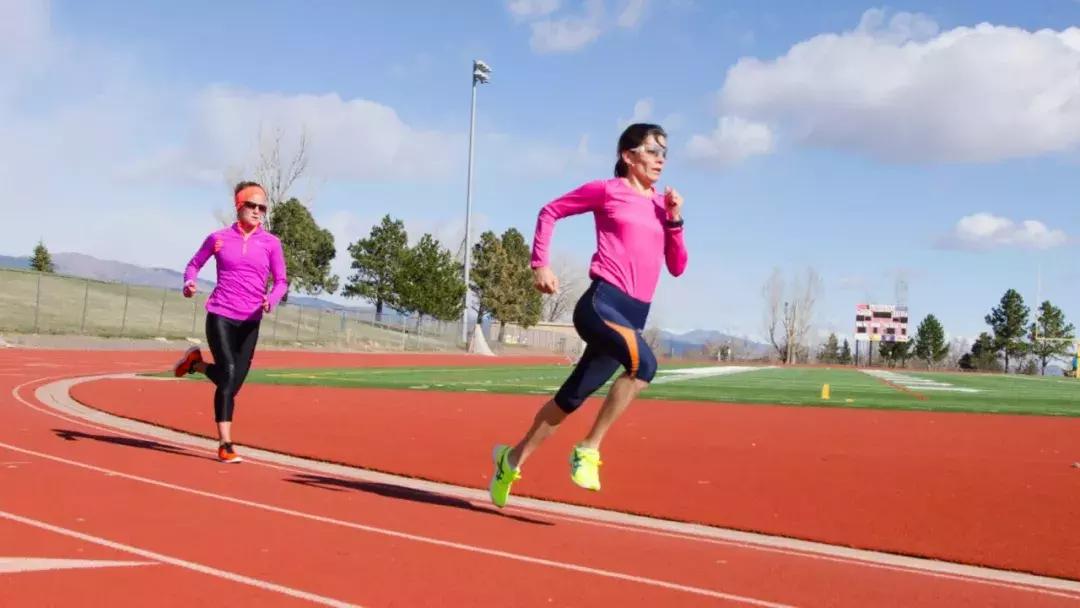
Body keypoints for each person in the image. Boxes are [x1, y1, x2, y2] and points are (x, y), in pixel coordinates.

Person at [489, 123, 688, 507]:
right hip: (602, 305)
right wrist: (539, 264)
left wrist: (676, 220)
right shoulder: (607, 191)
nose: (661, 158)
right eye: (652, 150)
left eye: (665, 151)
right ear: (628, 156)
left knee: (570, 399)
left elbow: (677, 266)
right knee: (644, 367)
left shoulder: (661, 206)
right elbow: (550, 211)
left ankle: (509, 461)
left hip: (634, 316)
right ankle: (589, 449)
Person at [171, 181, 287, 463]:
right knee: (228, 372)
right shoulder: (218, 238)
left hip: (251, 320)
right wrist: (189, 282)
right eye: (253, 205)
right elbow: (194, 264)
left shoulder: (271, 244)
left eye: (263, 207)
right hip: (221, 313)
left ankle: (195, 363)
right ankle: (226, 444)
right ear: (239, 207)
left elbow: (281, 281)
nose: (258, 211)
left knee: (232, 383)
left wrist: (271, 299)